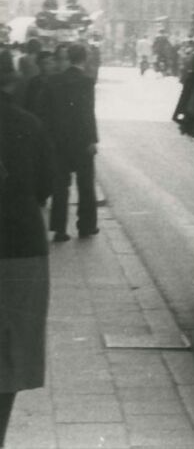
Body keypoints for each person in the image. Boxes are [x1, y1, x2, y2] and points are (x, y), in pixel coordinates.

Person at [0, 50, 53, 447]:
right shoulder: (30, 125)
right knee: (11, 351)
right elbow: (44, 187)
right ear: (10, 82)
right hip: (21, 249)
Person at [45, 44, 99, 242]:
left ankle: (59, 228)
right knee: (86, 185)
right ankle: (86, 225)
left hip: (59, 140)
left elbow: (48, 112)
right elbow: (87, 112)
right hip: (81, 140)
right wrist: (92, 139)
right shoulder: (87, 81)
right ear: (84, 58)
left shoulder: (54, 80)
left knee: (60, 186)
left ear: (68, 57)